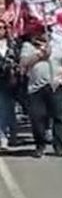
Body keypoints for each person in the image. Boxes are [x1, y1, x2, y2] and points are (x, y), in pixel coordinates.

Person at [19, 22, 62, 158]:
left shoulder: (59, 46)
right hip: (36, 88)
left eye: (45, 31)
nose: (43, 34)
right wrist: (39, 55)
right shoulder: (28, 46)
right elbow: (23, 63)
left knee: (58, 117)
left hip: (55, 86)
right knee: (37, 118)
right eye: (39, 32)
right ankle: (40, 145)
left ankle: (59, 146)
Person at [0, 19, 19, 150]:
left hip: (10, 81)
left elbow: (18, 60)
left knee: (10, 109)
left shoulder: (12, 44)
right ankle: (3, 137)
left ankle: (13, 133)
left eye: (2, 28)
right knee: (1, 109)